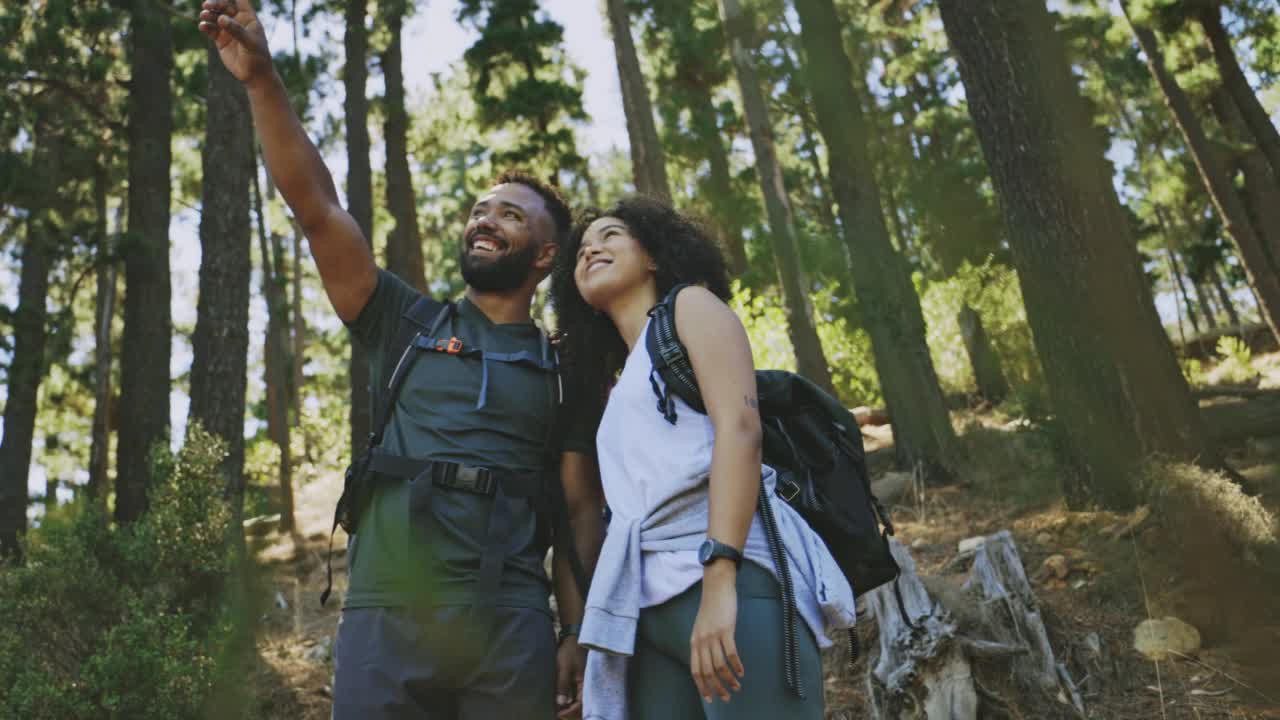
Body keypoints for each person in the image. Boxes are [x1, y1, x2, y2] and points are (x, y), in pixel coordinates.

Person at [198, 3, 604, 718]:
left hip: (508, 620)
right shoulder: (402, 321)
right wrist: (262, 82)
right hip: (388, 612)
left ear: (546, 256)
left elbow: (578, 515)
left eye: (510, 214)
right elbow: (318, 208)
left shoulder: (565, 368)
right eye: (481, 208)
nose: (485, 219)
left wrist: (577, 632)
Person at [549, 197, 857, 720]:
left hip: (728, 578)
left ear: (651, 256)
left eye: (611, 236)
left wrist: (720, 583)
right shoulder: (619, 380)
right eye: (581, 248)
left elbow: (740, 431)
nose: (590, 249)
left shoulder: (689, 307)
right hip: (644, 611)